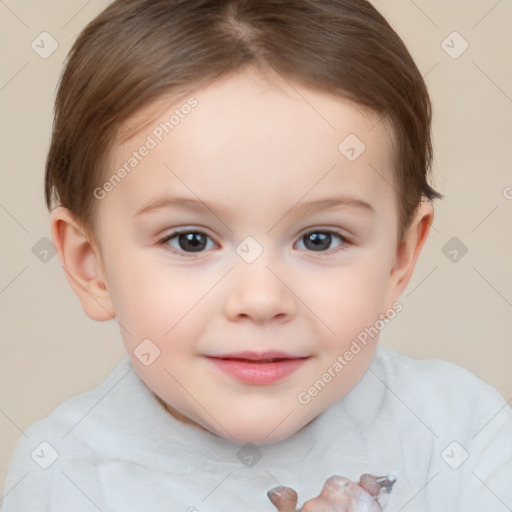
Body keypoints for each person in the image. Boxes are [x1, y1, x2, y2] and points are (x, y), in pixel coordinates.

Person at [2, 0, 511, 510]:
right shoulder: (65, 477)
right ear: (91, 266)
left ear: (399, 259)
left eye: (319, 239)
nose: (262, 299)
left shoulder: (460, 434)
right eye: (190, 240)